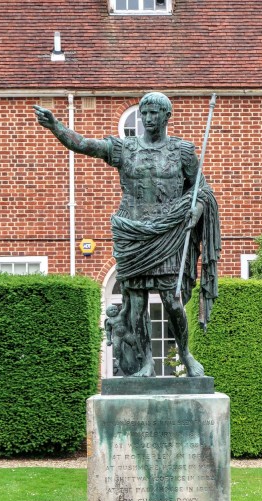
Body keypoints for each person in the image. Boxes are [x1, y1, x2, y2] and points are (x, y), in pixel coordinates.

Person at [34, 92, 220, 377]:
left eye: (154, 113)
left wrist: (197, 209)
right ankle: (147, 363)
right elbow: (84, 144)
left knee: (172, 301)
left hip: (167, 233)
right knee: (136, 304)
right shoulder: (125, 148)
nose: (148, 118)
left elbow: (201, 190)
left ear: (167, 116)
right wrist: (56, 127)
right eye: (144, 113)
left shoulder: (182, 151)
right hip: (131, 233)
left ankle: (185, 353)